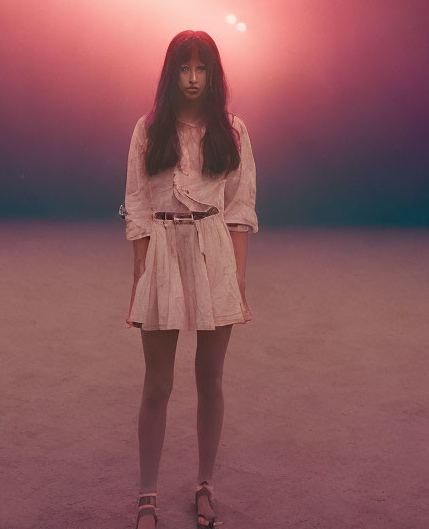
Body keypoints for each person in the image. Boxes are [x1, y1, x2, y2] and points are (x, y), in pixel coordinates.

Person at [120, 30, 258, 528]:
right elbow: (136, 202)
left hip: (213, 255)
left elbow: (240, 210)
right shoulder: (149, 129)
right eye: (185, 68)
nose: (194, 78)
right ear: (171, 73)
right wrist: (140, 271)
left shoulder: (233, 130)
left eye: (202, 69)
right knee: (156, 384)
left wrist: (236, 282)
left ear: (214, 74)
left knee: (210, 380)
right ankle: (147, 496)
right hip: (161, 252)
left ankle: (205, 483)